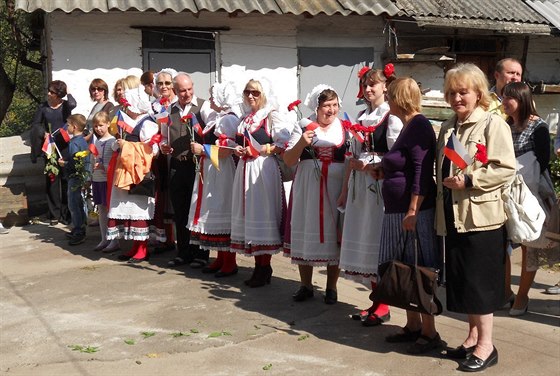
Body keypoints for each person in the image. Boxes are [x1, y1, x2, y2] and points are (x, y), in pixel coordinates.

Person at [436, 63, 516, 371]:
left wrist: (470, 181)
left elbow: (505, 168)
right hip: (453, 216)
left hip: (481, 218)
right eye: (452, 93)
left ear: (478, 94)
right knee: (464, 282)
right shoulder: (448, 127)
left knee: (480, 286)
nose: (457, 98)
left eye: (463, 92)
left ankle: (487, 346)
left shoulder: (493, 125)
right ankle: (472, 338)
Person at [373, 77, 440, 354]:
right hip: (397, 210)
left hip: (413, 212)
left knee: (418, 268)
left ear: (400, 98)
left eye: (389, 95)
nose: (386, 99)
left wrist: (412, 210)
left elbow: (421, 173)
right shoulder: (407, 126)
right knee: (398, 267)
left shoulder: (419, 126)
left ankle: (429, 330)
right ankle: (412, 324)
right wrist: (381, 170)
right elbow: (402, 165)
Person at [338, 66, 403, 323]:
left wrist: (374, 166)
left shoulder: (391, 117)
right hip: (360, 188)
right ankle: (376, 301)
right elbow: (351, 155)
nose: (367, 89)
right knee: (365, 238)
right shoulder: (361, 115)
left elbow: (398, 156)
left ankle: (384, 305)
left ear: (385, 86)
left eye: (373, 85)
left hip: (379, 186)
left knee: (378, 241)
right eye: (365, 85)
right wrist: (345, 189)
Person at [283, 85, 347, 303]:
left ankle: (331, 288)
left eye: (335, 105)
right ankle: (306, 285)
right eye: (326, 106)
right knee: (305, 228)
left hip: (335, 187)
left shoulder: (345, 126)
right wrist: (303, 142)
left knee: (333, 233)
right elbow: (289, 160)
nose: (331, 110)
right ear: (316, 107)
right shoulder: (303, 125)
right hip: (308, 188)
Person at [230, 78, 291, 287]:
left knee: (262, 214)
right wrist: (238, 148)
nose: (250, 96)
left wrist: (259, 150)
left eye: (255, 93)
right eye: (247, 92)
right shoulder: (246, 117)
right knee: (251, 216)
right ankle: (260, 266)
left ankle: (264, 267)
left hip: (263, 169)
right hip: (246, 167)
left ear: (264, 94)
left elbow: (283, 144)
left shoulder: (271, 115)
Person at [502, 82, 551, 316]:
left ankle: (522, 295)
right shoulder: (505, 125)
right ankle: (504, 292)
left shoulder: (538, 126)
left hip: (530, 193)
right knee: (503, 243)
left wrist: (518, 173)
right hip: (505, 191)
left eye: (508, 99)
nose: (503, 103)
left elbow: (543, 161)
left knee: (528, 244)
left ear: (520, 100)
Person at [188, 81, 241, 277]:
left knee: (222, 209)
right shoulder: (218, 118)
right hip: (213, 169)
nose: (210, 99)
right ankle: (220, 258)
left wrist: (203, 149)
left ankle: (229, 261)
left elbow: (228, 151)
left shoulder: (228, 120)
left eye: (213, 96)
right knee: (214, 210)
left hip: (223, 171)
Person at [163, 72, 212, 268]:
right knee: (180, 211)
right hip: (177, 164)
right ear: (175, 91)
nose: (187, 94)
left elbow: (212, 133)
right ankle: (183, 252)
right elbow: (165, 136)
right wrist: (164, 146)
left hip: (197, 165)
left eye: (189, 89)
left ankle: (201, 253)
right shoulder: (170, 110)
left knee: (199, 210)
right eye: (182, 91)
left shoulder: (203, 106)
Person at [107, 86, 160, 263]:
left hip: (139, 174)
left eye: (129, 105)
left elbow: (153, 150)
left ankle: (142, 248)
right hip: (128, 171)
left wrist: (127, 146)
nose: (126, 108)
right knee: (130, 211)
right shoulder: (133, 123)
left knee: (139, 211)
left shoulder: (147, 124)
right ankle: (135, 247)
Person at [30, 80, 76, 226]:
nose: (49, 94)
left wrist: (68, 92)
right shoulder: (43, 107)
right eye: (49, 91)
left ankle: (66, 213)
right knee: (52, 180)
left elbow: (73, 104)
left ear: (59, 94)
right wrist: (43, 133)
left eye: (52, 92)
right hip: (50, 146)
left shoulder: (65, 106)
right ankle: (54, 214)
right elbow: (36, 123)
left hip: (65, 146)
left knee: (66, 179)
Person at [58, 114, 90, 245]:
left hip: (75, 177)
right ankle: (80, 227)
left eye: (69, 125)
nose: (67, 127)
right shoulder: (82, 140)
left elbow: (75, 162)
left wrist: (63, 163)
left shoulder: (74, 143)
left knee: (73, 204)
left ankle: (78, 231)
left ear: (75, 127)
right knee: (78, 203)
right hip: (81, 176)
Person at [91, 111, 119, 253]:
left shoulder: (113, 142)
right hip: (97, 179)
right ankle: (104, 238)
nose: (98, 129)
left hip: (108, 180)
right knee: (101, 209)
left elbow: (115, 164)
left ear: (108, 124)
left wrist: (104, 167)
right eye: (96, 126)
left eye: (101, 125)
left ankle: (114, 240)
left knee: (110, 210)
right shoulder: (96, 141)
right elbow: (93, 160)